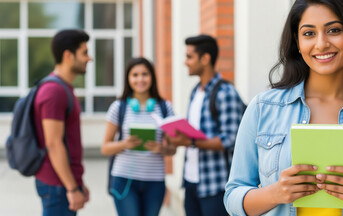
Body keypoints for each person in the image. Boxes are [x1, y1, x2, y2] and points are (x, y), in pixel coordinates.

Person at [224, 0, 343, 216]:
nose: (321, 44)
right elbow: (233, 196)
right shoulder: (263, 108)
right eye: (309, 33)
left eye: (334, 30)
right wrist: (276, 193)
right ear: (297, 43)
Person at [167, 34, 245, 216]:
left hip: (216, 186)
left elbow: (230, 140)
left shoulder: (226, 93)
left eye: (189, 57)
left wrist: (190, 143)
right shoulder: (195, 91)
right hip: (191, 183)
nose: (185, 62)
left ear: (205, 58)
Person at [101, 57, 176, 216]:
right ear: (128, 79)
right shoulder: (118, 107)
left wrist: (160, 148)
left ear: (152, 78)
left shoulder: (165, 107)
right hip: (124, 179)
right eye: (135, 75)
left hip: (155, 181)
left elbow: (173, 149)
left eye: (145, 74)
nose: (140, 79)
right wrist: (124, 144)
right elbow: (105, 148)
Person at [34, 29, 92, 215]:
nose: (88, 58)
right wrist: (72, 188)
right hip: (57, 185)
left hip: (62, 184)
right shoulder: (54, 91)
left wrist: (77, 182)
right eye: (84, 52)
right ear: (68, 55)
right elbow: (53, 143)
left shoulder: (63, 88)